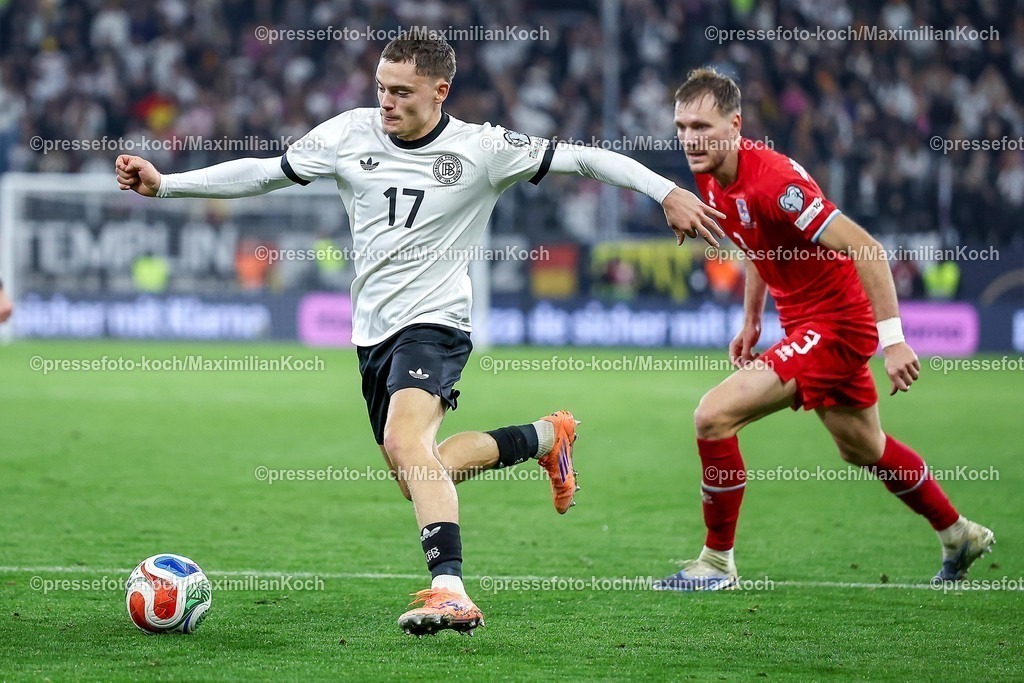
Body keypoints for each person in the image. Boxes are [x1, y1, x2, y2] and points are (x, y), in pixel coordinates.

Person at [115, 37, 726, 633]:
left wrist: (666, 190)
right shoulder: (348, 133)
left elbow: (587, 158)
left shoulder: (482, 149)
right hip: (371, 331)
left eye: (402, 91)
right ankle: (546, 437)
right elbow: (264, 174)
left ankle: (451, 591)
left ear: (440, 91)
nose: (387, 101)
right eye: (381, 87)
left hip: (436, 324)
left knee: (409, 445)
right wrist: (167, 184)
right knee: (419, 473)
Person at [655, 67, 994, 591]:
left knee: (713, 416)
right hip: (804, 321)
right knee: (863, 446)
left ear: (736, 125)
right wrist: (751, 319)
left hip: (837, 324)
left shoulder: (775, 183)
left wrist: (894, 339)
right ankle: (957, 534)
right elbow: (755, 244)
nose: (689, 139)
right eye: (681, 126)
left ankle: (716, 563)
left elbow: (867, 249)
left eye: (701, 125)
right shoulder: (711, 175)